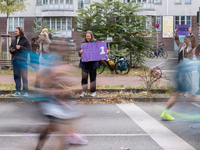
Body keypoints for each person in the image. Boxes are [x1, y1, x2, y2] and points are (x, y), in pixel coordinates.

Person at [160, 28, 196, 121]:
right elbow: (176, 39)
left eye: (186, 39)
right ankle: (188, 109)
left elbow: (194, 40)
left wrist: (191, 32)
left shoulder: (191, 47)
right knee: (187, 92)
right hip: (181, 70)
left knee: (188, 92)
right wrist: (175, 33)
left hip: (186, 70)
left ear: (189, 40)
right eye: (184, 39)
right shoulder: (181, 45)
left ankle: (187, 107)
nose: (184, 40)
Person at [10, 26, 31, 97]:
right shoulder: (13, 40)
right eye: (15, 31)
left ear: (20, 32)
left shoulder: (26, 40)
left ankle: (25, 92)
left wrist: (21, 47)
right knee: (16, 77)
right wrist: (11, 50)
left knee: (24, 77)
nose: (15, 32)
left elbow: (29, 50)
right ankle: (18, 91)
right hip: (15, 61)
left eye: (16, 31)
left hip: (23, 61)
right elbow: (11, 48)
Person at [79, 31, 99, 97]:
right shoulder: (83, 43)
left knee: (93, 78)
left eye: (89, 36)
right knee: (84, 78)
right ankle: (84, 91)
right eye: (86, 36)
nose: (88, 37)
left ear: (91, 36)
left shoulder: (95, 43)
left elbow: (100, 51)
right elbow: (79, 54)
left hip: (93, 64)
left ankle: (93, 92)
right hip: (85, 64)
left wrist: (105, 52)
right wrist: (80, 52)